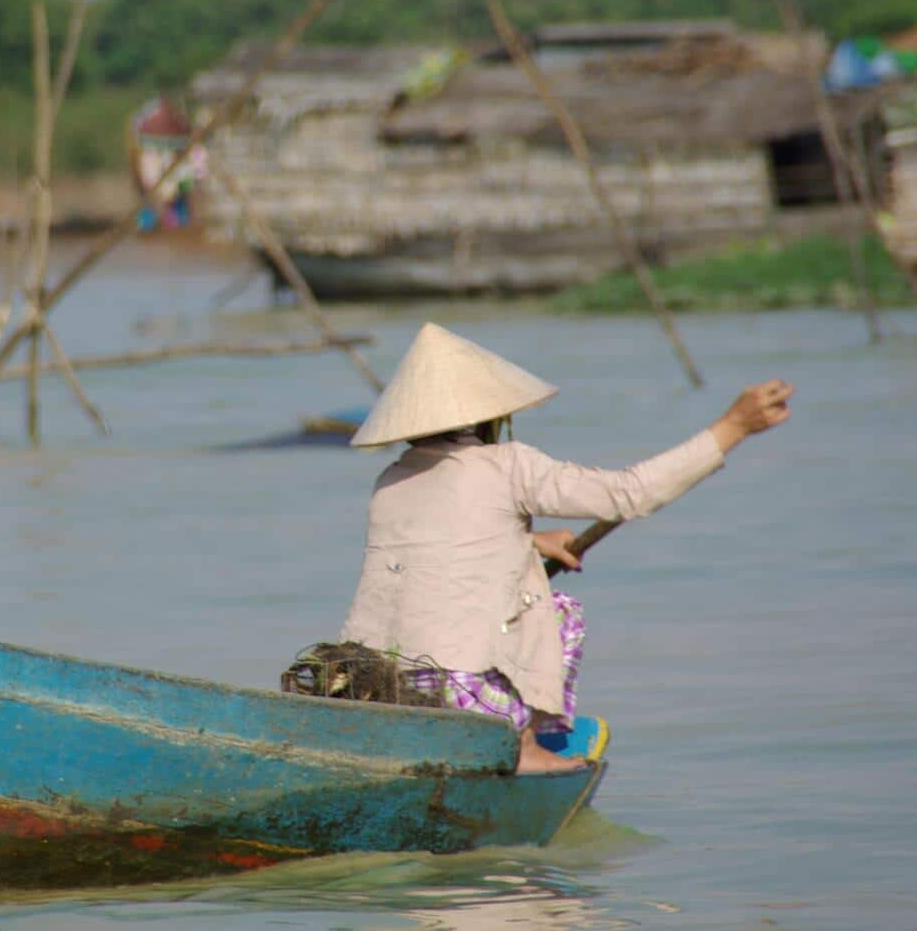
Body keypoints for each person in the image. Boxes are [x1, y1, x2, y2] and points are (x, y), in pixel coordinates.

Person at [339, 323, 792, 775]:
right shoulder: (508, 465)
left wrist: (529, 542)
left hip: (386, 688)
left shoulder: (390, 481)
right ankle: (522, 741)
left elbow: (435, 544)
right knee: (561, 613)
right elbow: (629, 493)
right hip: (464, 696)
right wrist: (733, 427)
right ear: (491, 417)